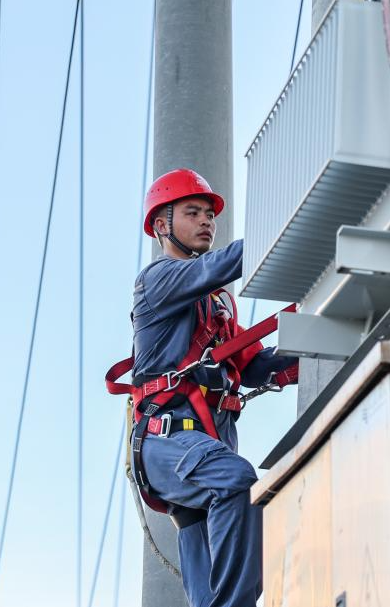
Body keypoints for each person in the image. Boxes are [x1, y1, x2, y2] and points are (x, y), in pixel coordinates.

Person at [129, 168, 297, 607]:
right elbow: (219, 265)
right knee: (236, 480)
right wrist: (282, 223)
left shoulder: (218, 304)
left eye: (209, 214)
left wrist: (311, 344)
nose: (207, 221)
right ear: (162, 225)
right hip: (168, 441)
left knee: (208, 590)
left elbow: (253, 364)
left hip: (202, 445)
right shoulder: (157, 280)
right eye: (193, 212)